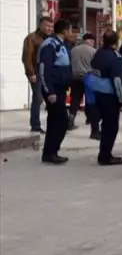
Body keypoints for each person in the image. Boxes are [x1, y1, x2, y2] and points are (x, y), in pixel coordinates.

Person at [88, 31, 122, 166]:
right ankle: (105, 156)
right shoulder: (115, 58)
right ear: (116, 42)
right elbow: (117, 81)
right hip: (109, 95)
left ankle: (104, 153)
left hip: (96, 92)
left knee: (105, 124)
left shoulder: (98, 53)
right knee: (111, 127)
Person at [38, 19, 74, 165]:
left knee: (54, 121)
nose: (71, 34)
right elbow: (44, 69)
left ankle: (50, 153)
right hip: (53, 89)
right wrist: (49, 91)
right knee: (61, 121)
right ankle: (51, 152)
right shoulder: (49, 45)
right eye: (70, 30)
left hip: (60, 88)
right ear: (64, 31)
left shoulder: (62, 44)